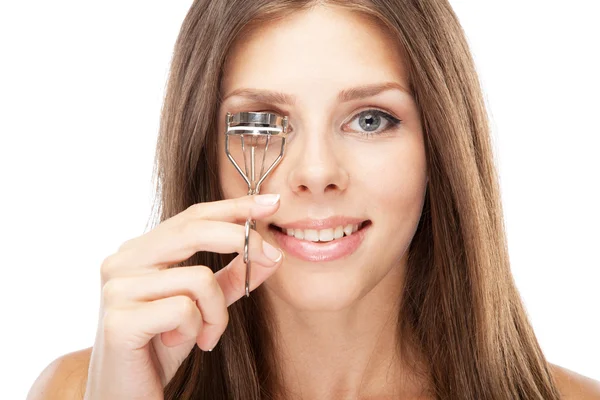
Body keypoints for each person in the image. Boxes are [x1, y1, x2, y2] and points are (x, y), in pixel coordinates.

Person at [28, 1, 600, 399]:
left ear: (441, 147)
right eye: (261, 122)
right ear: (202, 153)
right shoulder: (82, 392)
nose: (317, 172)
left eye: (370, 119)